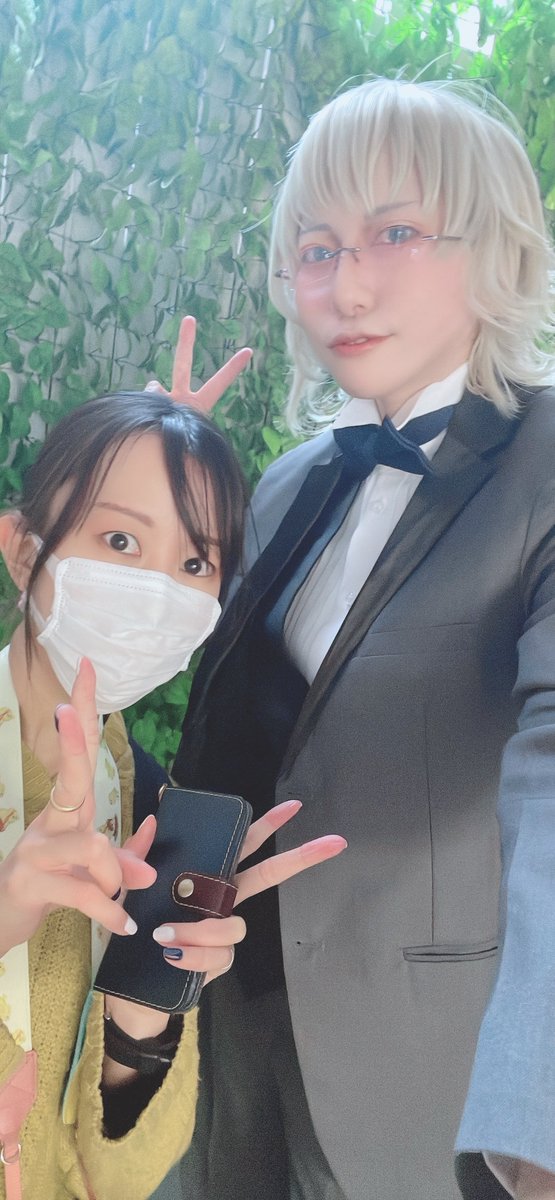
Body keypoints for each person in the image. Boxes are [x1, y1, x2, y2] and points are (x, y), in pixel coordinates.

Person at [167, 78, 555, 1200]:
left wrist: (537, 1111)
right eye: (316, 248)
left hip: (431, 1077)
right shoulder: (287, 486)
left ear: (494, 245)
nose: (347, 284)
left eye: (395, 233)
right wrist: (142, 490)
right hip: (228, 1036)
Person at [0, 389, 347, 1200]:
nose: (156, 590)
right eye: (120, 540)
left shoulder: (146, 812)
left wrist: (143, 1019)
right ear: (21, 552)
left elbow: (111, 1176)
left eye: (195, 563)